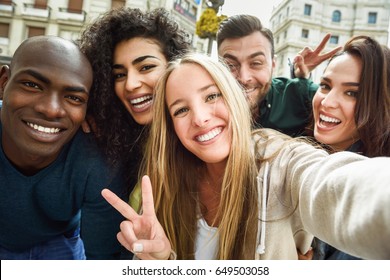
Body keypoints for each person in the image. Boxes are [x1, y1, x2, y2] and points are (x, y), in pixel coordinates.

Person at [102, 53, 390, 260]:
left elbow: (333, 186)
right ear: (172, 128)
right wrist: (162, 261)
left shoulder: (280, 159)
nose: (201, 118)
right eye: (181, 109)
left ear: (236, 98)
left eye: (212, 96)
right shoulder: (166, 186)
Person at [0, 36, 126, 260]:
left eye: (73, 98)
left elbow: (103, 260)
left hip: (60, 242)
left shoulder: (97, 160)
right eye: (32, 85)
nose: (50, 110)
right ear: (3, 83)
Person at [79, 7, 191, 193]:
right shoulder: (109, 139)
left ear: (174, 64)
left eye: (146, 67)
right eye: (119, 75)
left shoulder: (200, 138)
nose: (130, 84)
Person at [308, 35, 390, 260]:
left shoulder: (373, 190)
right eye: (325, 86)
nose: (327, 102)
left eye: (352, 93)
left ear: (380, 103)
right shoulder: (312, 153)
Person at [216, 14, 342, 137]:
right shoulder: (207, 106)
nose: (244, 78)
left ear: (273, 64)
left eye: (256, 63)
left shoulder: (297, 94)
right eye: (230, 65)